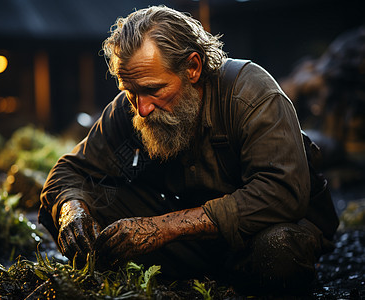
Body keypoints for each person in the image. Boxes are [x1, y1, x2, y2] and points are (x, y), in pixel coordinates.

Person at [39, 5, 339, 295]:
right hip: (193, 243)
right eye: (130, 92)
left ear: (192, 68)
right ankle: (197, 274)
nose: (142, 109)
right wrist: (71, 212)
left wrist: (164, 228)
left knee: (277, 252)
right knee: (84, 205)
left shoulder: (250, 94)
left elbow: (282, 192)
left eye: (154, 90)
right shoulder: (131, 108)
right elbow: (68, 172)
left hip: (256, 236)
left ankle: (223, 277)